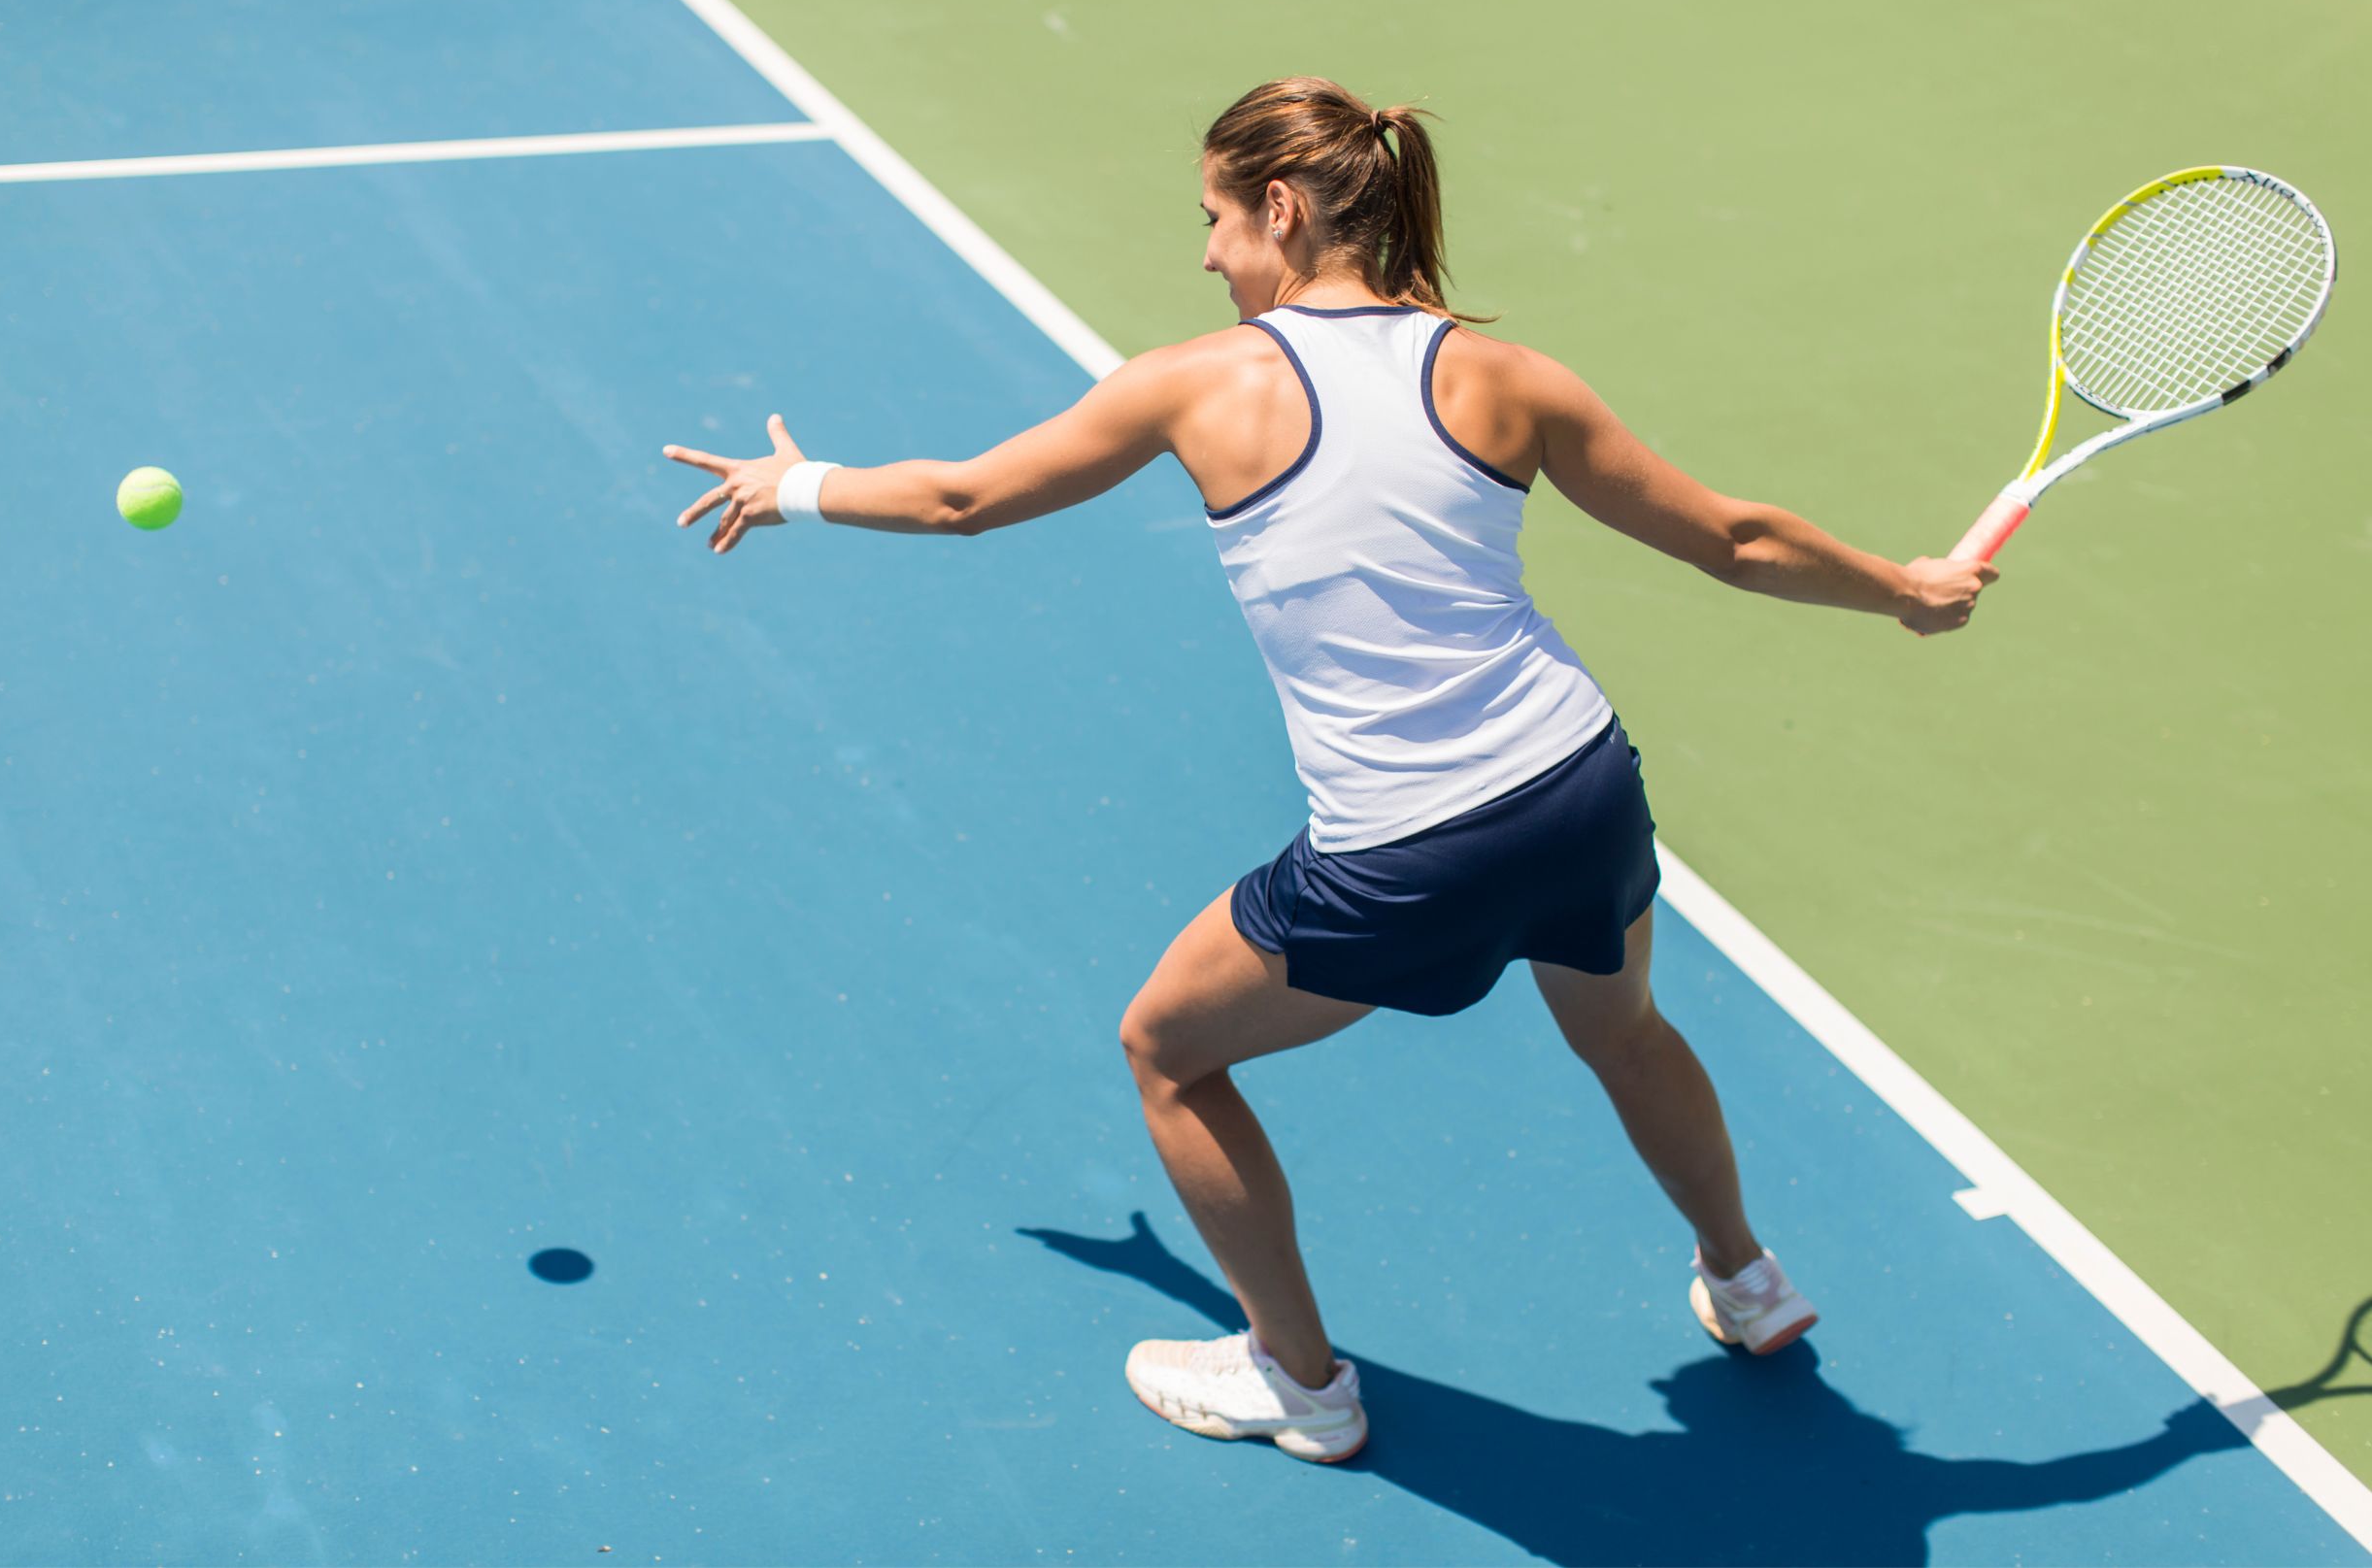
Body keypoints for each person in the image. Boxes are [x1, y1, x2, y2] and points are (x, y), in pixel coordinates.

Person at [664, 75, 1994, 1465]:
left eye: (1217, 220)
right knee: (1621, 1030)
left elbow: (962, 499)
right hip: (1578, 784)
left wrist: (796, 486)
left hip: (1410, 846)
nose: (1207, 254)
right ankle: (1749, 1279)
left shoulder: (1199, 381)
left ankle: (1301, 1384)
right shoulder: (1504, 374)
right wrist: (1901, 589)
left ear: (1283, 212)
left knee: (1167, 1052)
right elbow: (1736, 538)